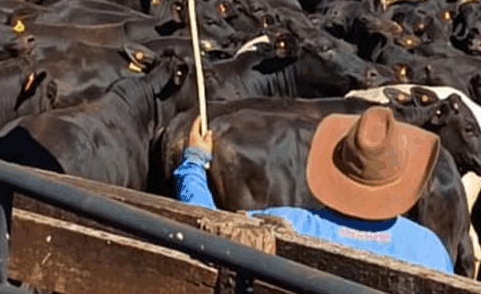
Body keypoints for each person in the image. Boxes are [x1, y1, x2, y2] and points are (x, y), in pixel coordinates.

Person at [174, 106, 454, 273]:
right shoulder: (428, 250)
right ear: (401, 179)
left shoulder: (288, 225)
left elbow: (209, 224)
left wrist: (194, 162)